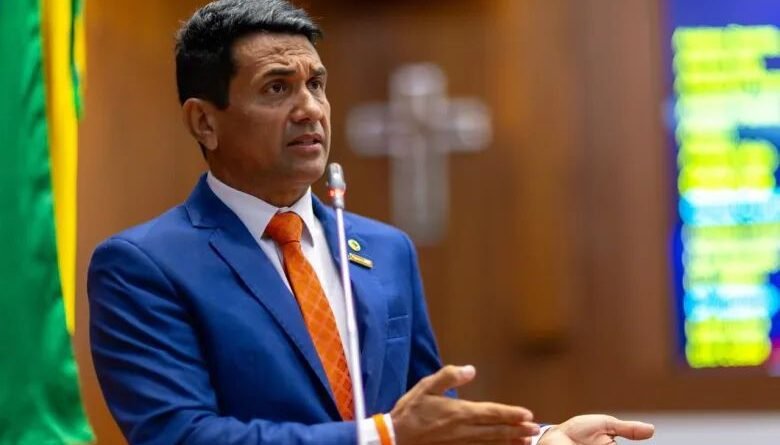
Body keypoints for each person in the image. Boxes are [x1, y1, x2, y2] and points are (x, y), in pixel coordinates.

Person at [87, 1, 656, 444]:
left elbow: (427, 419)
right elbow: (181, 435)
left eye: (316, 84)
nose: (310, 109)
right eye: (277, 88)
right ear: (204, 122)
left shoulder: (384, 249)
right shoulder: (144, 266)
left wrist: (537, 438)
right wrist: (381, 436)